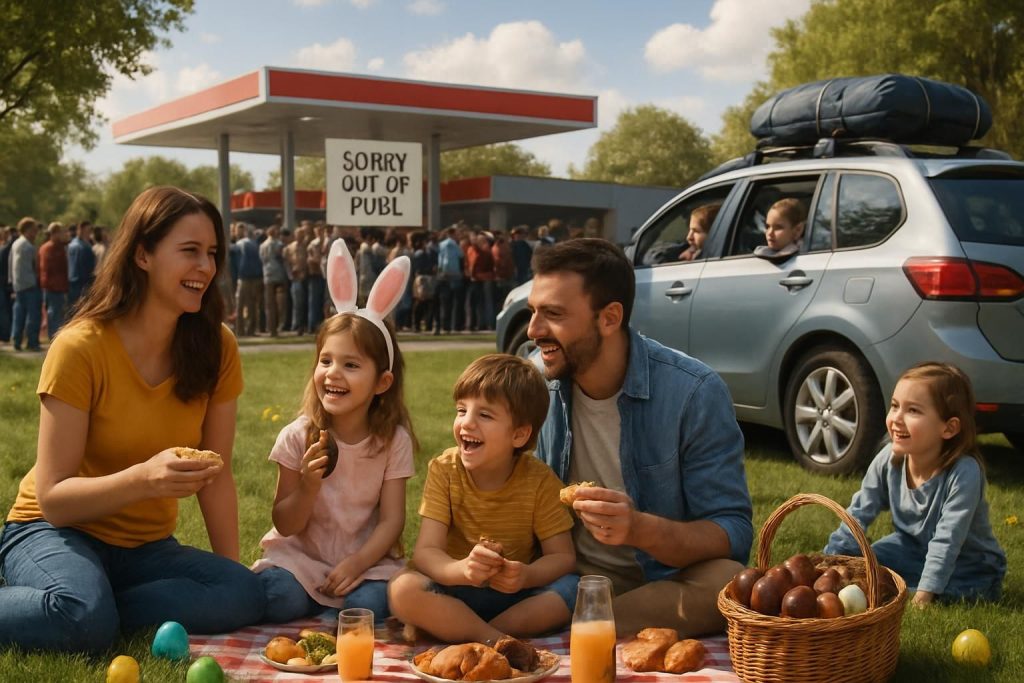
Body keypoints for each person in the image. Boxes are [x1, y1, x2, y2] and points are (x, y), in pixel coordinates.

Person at [0, 187, 264, 653]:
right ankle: (82, 605)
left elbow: (216, 475)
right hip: (54, 530)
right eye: (189, 251)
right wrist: (143, 480)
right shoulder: (80, 347)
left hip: (144, 546)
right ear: (142, 255)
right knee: (82, 617)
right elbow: (54, 499)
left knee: (245, 592)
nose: (205, 267)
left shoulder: (217, 347)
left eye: (211, 253)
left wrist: (230, 577)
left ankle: (93, 605)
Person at [528, 238, 753, 638]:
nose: (533, 330)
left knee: (728, 582)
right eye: (533, 311)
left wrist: (638, 529)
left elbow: (732, 531)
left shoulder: (693, 392)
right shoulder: (533, 382)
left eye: (554, 314)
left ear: (609, 318)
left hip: (662, 583)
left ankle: (581, 628)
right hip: (561, 577)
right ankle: (583, 626)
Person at [253, 240, 416, 624]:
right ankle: (324, 610)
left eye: (351, 365)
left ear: (382, 382)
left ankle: (335, 614)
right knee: (278, 598)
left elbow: (392, 521)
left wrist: (358, 562)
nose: (333, 374)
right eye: (325, 361)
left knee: (372, 602)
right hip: (301, 559)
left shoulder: (393, 441)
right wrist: (308, 486)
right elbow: (285, 524)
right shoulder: (297, 436)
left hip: (365, 561)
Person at [388, 354, 578, 643]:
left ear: (519, 435)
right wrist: (462, 570)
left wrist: (525, 576)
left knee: (574, 589)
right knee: (402, 589)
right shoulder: (445, 470)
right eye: (461, 410)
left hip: (515, 598)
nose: (466, 423)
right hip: (454, 590)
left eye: (485, 415)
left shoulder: (540, 481)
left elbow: (562, 557)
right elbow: (426, 552)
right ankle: (494, 640)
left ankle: (467, 633)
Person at [824, 362, 1007, 606]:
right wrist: (829, 561)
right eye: (895, 406)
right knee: (866, 564)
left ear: (949, 428)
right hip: (909, 550)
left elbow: (947, 540)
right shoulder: (888, 458)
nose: (897, 418)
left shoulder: (964, 472)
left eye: (913, 410)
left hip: (969, 565)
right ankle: (893, 585)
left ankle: (908, 590)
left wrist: (924, 596)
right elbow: (857, 513)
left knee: (916, 590)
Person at [9, 217, 41, 352]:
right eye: (34, 230)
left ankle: (16, 340)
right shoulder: (28, 246)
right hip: (29, 284)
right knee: (33, 315)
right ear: (27, 230)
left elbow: (10, 263)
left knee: (19, 314)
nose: (36, 234)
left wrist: (12, 281)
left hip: (18, 285)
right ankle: (32, 342)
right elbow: (35, 266)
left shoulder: (15, 244)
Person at [37, 222, 69, 339]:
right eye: (61, 232)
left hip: (53, 285)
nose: (64, 235)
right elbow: (51, 269)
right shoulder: (51, 248)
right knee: (54, 312)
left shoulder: (50, 247)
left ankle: (54, 336)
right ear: (55, 233)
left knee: (56, 312)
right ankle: (53, 337)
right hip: (54, 286)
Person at [753, 198, 806, 262]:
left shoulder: (804, 256)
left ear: (798, 230)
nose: (770, 233)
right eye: (768, 226)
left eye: (778, 228)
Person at [67, 220, 97, 306]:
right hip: (83, 284)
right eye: (89, 231)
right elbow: (88, 268)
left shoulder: (71, 245)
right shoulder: (85, 247)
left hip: (71, 283)